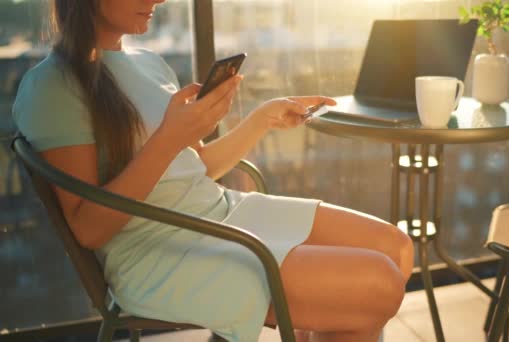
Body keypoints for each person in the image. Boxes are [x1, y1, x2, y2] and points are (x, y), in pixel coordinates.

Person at [12, 1, 414, 341]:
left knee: (395, 248)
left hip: (219, 212)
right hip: (159, 249)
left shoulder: (148, 63)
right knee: (377, 284)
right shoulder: (52, 86)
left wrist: (262, 119)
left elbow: (196, 169)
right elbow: (88, 228)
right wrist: (170, 137)